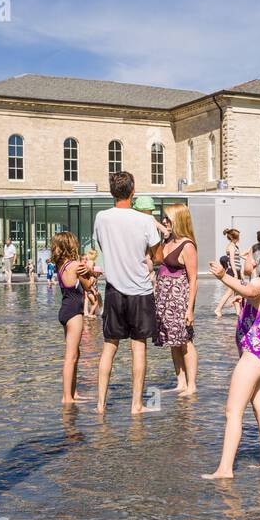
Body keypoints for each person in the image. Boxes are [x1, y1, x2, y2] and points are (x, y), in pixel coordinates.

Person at [92, 171, 163, 413]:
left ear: (112, 192)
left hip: (113, 290)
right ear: (133, 192)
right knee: (138, 347)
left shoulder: (101, 218)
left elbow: (101, 245)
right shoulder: (143, 221)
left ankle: (100, 405)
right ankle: (136, 405)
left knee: (109, 347)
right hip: (140, 290)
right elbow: (158, 256)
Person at [202, 256, 260, 479]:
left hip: (253, 356)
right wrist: (240, 304)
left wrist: (224, 276)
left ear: (258, 262)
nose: (243, 260)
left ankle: (225, 470)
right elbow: (252, 301)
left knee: (233, 411)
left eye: (248, 257)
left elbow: (252, 291)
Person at [154, 204, 198, 397]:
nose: (164, 221)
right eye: (164, 218)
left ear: (178, 220)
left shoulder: (187, 245)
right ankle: (180, 382)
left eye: (168, 219)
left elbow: (193, 278)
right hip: (164, 297)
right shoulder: (169, 241)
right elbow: (155, 259)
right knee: (173, 341)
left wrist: (190, 309)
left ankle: (192, 384)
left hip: (179, 298)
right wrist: (161, 236)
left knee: (185, 340)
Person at [51, 231, 93, 403]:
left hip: (64, 310)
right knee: (71, 356)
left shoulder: (60, 266)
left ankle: (73, 393)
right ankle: (67, 397)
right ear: (71, 245)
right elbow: (88, 285)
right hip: (74, 311)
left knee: (75, 353)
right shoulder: (76, 265)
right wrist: (91, 272)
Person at [214, 228, 243, 318]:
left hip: (236, 271)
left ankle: (239, 312)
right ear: (234, 237)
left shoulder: (235, 246)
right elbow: (231, 261)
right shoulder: (231, 247)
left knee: (237, 293)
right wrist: (235, 273)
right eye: (238, 236)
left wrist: (240, 273)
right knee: (230, 292)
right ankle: (218, 309)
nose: (239, 238)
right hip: (232, 271)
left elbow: (238, 259)